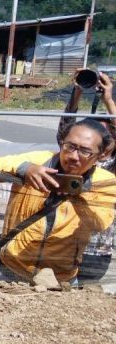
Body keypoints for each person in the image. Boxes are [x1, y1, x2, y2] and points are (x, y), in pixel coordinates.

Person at [0, 118, 116, 284]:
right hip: (11, 267)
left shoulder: (105, 182)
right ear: (62, 143)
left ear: (100, 156)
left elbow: (100, 223)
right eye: (70, 146)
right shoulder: (39, 161)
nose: (74, 156)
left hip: (60, 278)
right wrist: (24, 169)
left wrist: (78, 194)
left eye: (85, 151)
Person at [56, 69, 116, 283]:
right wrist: (78, 91)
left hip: (96, 250)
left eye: (105, 134)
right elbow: (66, 128)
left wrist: (108, 99)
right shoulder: (74, 157)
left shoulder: (111, 165)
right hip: (64, 241)